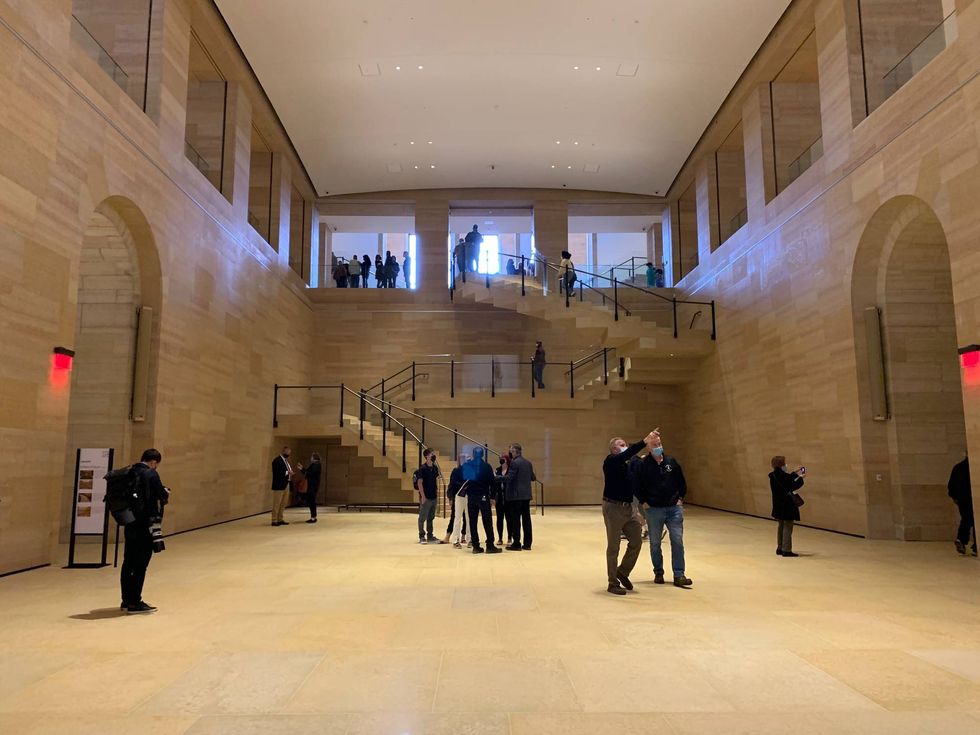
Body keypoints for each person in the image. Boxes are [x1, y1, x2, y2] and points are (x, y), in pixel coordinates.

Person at [602, 432, 657, 595]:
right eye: (620, 443)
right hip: (613, 507)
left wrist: (638, 509)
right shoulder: (610, 461)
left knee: (636, 541)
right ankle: (612, 582)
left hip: (628, 508)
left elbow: (635, 485)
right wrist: (644, 441)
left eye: (624, 443)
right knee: (613, 547)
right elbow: (627, 454)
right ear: (613, 449)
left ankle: (622, 572)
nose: (623, 445)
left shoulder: (628, 466)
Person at [634, 432, 692, 588]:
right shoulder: (643, 465)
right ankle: (658, 571)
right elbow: (636, 484)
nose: (658, 447)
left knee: (677, 540)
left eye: (659, 443)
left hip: (674, 508)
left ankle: (679, 574)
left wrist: (680, 498)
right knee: (654, 543)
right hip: (654, 510)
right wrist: (643, 501)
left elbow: (681, 481)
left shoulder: (671, 462)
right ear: (648, 448)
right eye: (654, 445)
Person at [119, 448, 170, 614]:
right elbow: (162, 496)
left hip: (130, 523)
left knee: (128, 562)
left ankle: (126, 600)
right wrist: (165, 492)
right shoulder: (151, 474)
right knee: (141, 564)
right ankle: (136, 602)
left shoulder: (129, 472)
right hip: (145, 525)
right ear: (154, 462)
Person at [463, 448, 500, 553]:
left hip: (471, 497)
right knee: (487, 521)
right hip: (483, 497)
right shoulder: (487, 467)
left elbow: (465, 481)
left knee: (472, 521)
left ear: (473, 454)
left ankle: (475, 546)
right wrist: (493, 497)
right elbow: (493, 483)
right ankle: (490, 545)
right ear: (483, 455)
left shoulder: (468, 465)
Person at [769, 456, 805, 557]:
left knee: (780, 526)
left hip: (778, 505)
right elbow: (792, 485)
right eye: (784, 463)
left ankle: (780, 547)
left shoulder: (773, 476)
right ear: (781, 465)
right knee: (788, 526)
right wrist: (801, 478)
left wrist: (794, 472)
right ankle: (786, 549)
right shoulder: (783, 476)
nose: (786, 465)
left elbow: (787, 479)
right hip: (787, 505)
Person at [505, 443, 535, 551]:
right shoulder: (528, 463)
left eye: (511, 451)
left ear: (514, 451)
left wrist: (497, 477)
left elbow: (509, 478)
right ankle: (527, 544)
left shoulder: (514, 463)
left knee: (516, 520)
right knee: (526, 520)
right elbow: (533, 478)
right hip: (526, 496)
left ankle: (516, 543)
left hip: (516, 496)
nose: (510, 453)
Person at [948, 455, 976, 555]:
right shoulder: (974, 467)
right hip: (972, 498)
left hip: (962, 500)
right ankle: (975, 546)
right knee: (974, 520)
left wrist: (955, 498)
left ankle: (962, 539)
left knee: (966, 519)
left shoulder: (958, 468)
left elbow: (951, 486)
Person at [443, 453, 470, 547]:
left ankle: (465, 537)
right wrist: (450, 497)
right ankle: (453, 538)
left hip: (468, 496)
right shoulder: (455, 471)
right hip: (458, 496)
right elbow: (452, 485)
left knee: (468, 518)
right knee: (455, 517)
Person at [415, 448, 441, 543]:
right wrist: (423, 496)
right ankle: (422, 536)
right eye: (432, 454)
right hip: (426, 497)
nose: (433, 456)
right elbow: (420, 483)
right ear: (427, 456)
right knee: (422, 517)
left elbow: (435, 480)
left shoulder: (435, 468)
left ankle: (430, 535)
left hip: (433, 496)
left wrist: (436, 493)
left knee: (431, 517)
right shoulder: (422, 469)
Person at [271, 446, 293, 526]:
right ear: (283, 451)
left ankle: (280, 518)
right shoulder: (277, 460)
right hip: (279, 485)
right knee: (277, 503)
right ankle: (274, 520)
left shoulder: (286, 461)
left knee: (284, 503)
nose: (289, 454)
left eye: (289, 453)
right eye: (288, 452)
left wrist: (289, 473)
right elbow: (277, 472)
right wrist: (288, 472)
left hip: (286, 483)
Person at [494, 452, 511, 546]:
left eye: (502, 458)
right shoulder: (497, 470)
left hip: (508, 498)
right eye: (499, 458)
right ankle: (500, 538)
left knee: (509, 519)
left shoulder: (510, 470)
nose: (500, 460)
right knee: (499, 519)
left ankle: (509, 538)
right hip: (499, 498)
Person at [304, 452, 322, 523]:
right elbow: (308, 472)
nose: (310, 458)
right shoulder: (315, 465)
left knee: (312, 501)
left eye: (311, 457)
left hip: (313, 485)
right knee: (311, 501)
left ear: (314, 458)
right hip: (312, 485)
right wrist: (302, 469)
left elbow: (310, 473)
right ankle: (313, 517)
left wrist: (303, 469)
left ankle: (313, 517)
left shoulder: (316, 465)